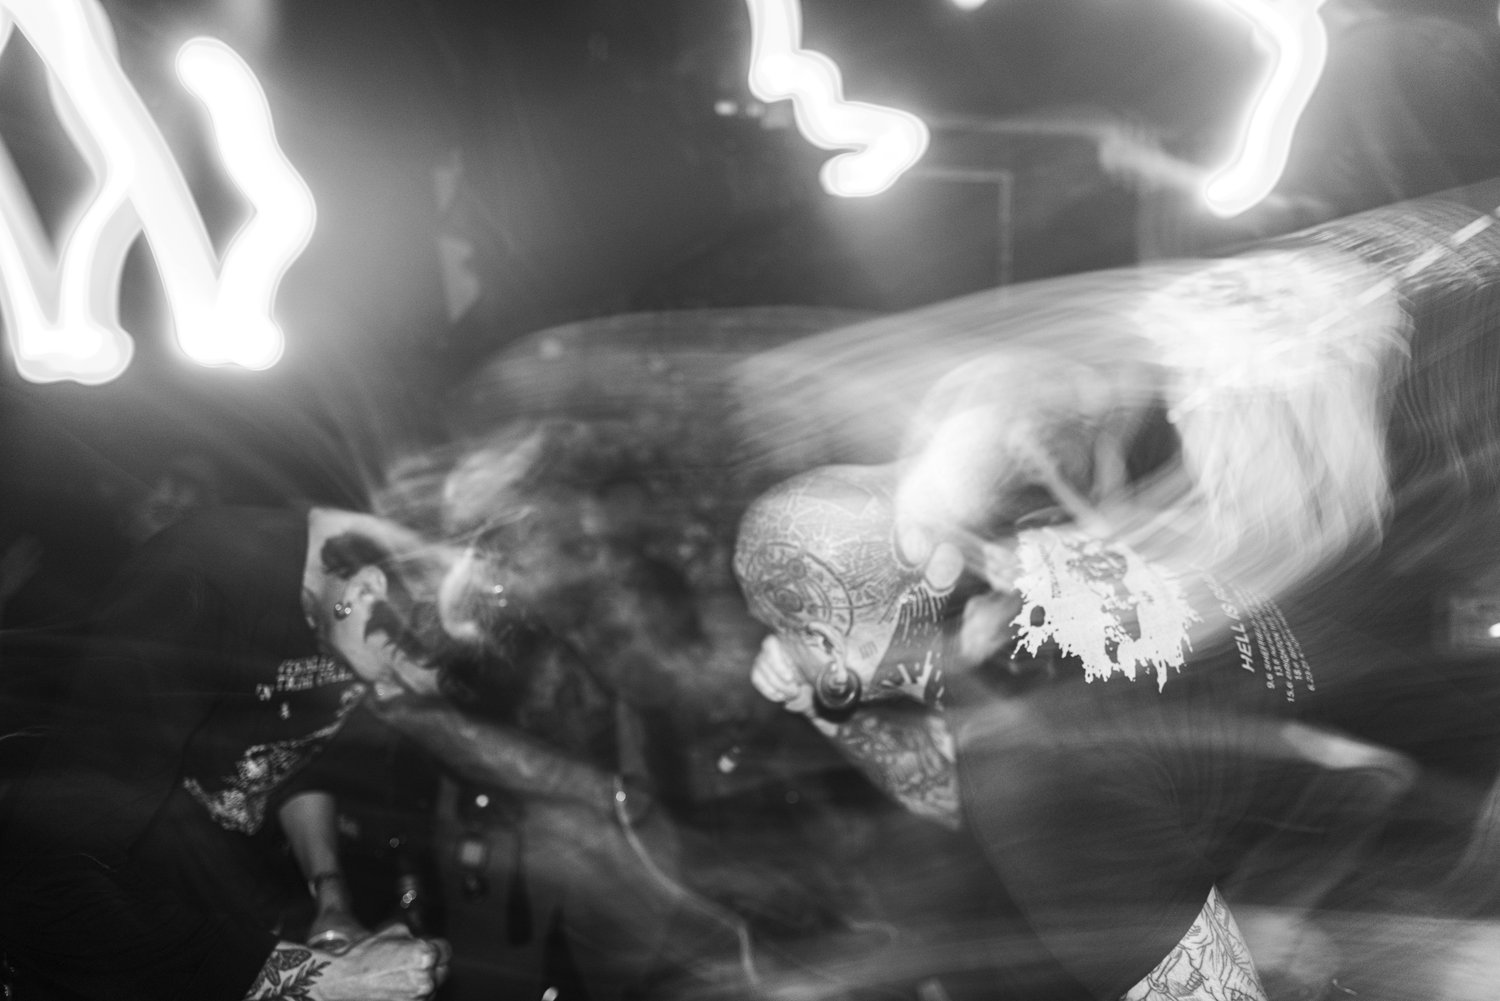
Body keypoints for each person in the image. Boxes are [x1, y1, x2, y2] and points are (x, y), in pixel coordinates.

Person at [730, 460, 1444, 1001]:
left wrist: (1272, 922)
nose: (779, 650)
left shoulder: (1035, 780)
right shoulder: (1049, 663)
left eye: (788, 622)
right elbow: (1357, 772)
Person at [0, 504, 457, 1000]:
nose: (386, 696)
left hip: (228, 915)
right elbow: (45, 888)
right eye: (392, 672)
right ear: (367, 589)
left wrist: (331, 897)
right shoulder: (191, 587)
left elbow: (297, 760)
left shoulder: (344, 610)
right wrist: (325, 982)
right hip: (131, 938)